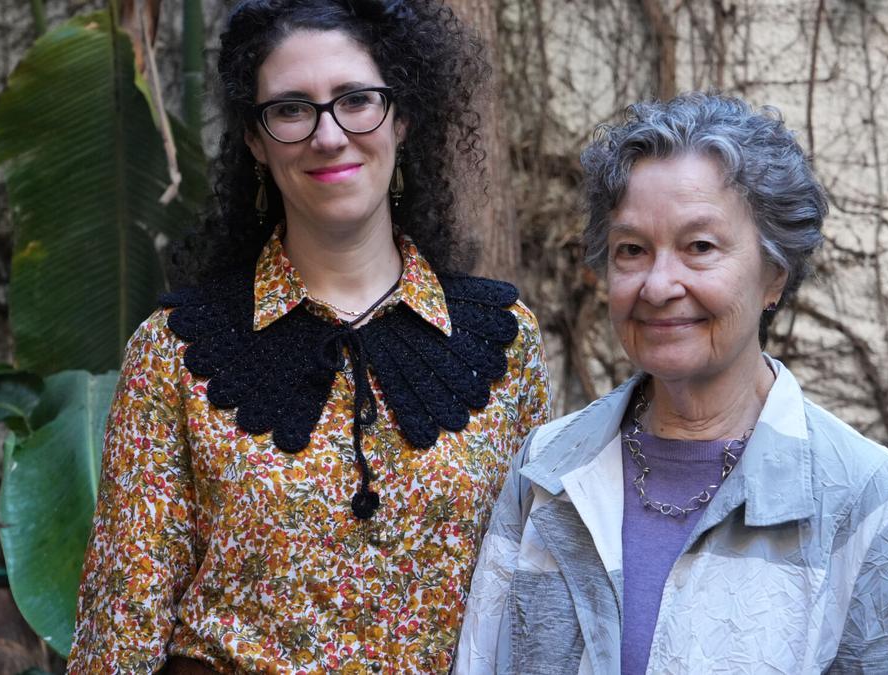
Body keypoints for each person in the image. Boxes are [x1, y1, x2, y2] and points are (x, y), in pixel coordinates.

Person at [67, 1, 549, 672]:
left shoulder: (504, 345)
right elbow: (121, 621)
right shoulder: (174, 350)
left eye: (357, 100)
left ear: (402, 116)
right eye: (292, 109)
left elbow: (531, 606)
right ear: (256, 140)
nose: (328, 135)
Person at [454, 93, 888, 674]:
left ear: (774, 276)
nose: (659, 285)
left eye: (700, 247)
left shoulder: (869, 501)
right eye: (632, 250)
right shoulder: (548, 471)